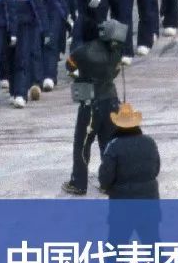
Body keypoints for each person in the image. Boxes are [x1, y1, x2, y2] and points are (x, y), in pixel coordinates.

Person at [61, 16, 126, 196]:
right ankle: (109, 183)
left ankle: (79, 183)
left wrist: (80, 78)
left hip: (91, 104)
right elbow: (116, 71)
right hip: (112, 102)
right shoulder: (117, 52)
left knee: (82, 144)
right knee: (109, 144)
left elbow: (69, 65)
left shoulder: (84, 52)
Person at [98, 101, 161, 199]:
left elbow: (105, 177)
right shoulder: (150, 142)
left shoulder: (113, 146)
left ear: (118, 125)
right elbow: (156, 170)